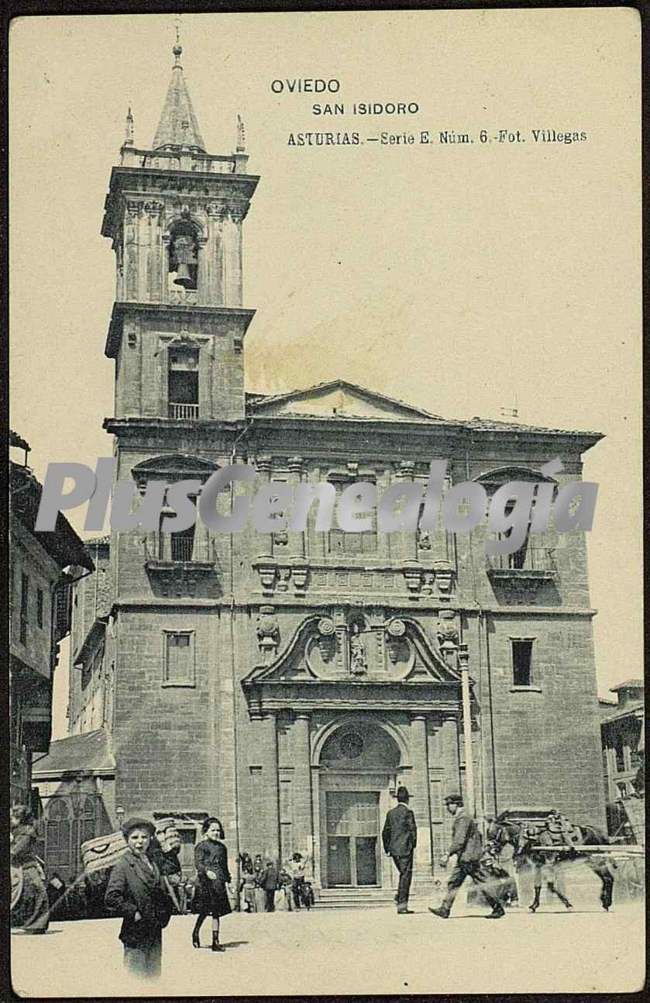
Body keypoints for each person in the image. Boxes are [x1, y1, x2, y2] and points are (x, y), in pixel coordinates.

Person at [104, 816, 172, 978]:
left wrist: (167, 848)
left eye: (144, 837)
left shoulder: (152, 861)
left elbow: (172, 868)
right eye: (134, 838)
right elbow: (111, 897)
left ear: (150, 839)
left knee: (154, 976)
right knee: (136, 979)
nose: (140, 842)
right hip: (135, 933)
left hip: (155, 930)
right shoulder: (123, 865)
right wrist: (134, 912)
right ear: (127, 840)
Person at [429, 795, 505, 920]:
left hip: (468, 858)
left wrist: (447, 854)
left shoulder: (463, 819)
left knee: (480, 882)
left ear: (457, 804)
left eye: (449, 805)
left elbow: (459, 840)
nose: (448, 808)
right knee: (455, 882)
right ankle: (445, 908)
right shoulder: (464, 818)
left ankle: (497, 907)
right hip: (466, 857)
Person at [192, 817, 232, 952]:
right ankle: (196, 932)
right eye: (212, 830)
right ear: (206, 831)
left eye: (218, 830)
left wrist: (228, 881)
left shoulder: (222, 848)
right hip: (205, 882)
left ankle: (215, 941)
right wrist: (206, 871)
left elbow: (224, 866)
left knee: (216, 912)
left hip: (218, 882)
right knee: (204, 911)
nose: (216, 833)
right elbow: (198, 863)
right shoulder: (201, 846)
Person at [10, 805, 50, 933]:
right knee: (33, 893)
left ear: (20, 818)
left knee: (35, 892)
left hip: (25, 867)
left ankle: (36, 924)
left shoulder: (26, 831)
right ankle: (35, 924)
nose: (11, 819)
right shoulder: (20, 830)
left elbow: (16, 851)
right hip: (23, 866)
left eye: (14, 817)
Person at [382, 785, 417, 914]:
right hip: (405, 850)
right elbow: (413, 831)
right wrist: (413, 845)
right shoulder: (408, 812)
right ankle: (402, 906)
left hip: (394, 851)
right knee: (406, 876)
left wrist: (387, 848)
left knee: (403, 874)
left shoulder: (390, 813)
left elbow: (385, 832)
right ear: (407, 800)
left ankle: (399, 897)